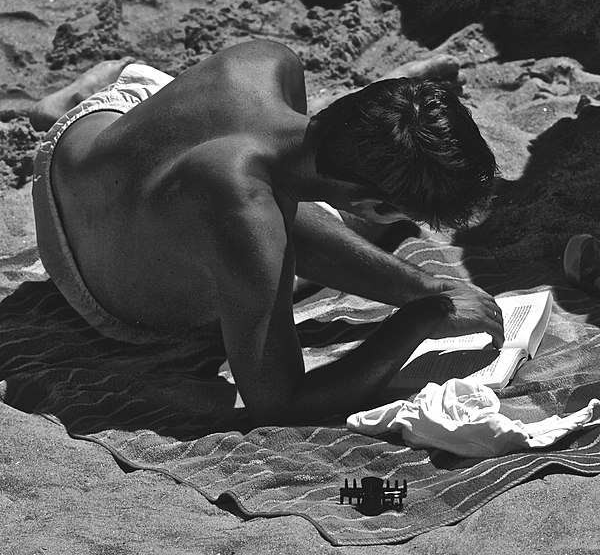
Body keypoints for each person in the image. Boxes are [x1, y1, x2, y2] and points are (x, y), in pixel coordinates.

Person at [32, 40, 504, 425]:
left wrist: (421, 288)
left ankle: (77, 94)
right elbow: (277, 401)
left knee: (264, 169)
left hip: (93, 133)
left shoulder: (269, 60)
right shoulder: (246, 214)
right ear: (370, 202)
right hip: (92, 270)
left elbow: (280, 188)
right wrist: (417, 319)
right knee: (282, 225)